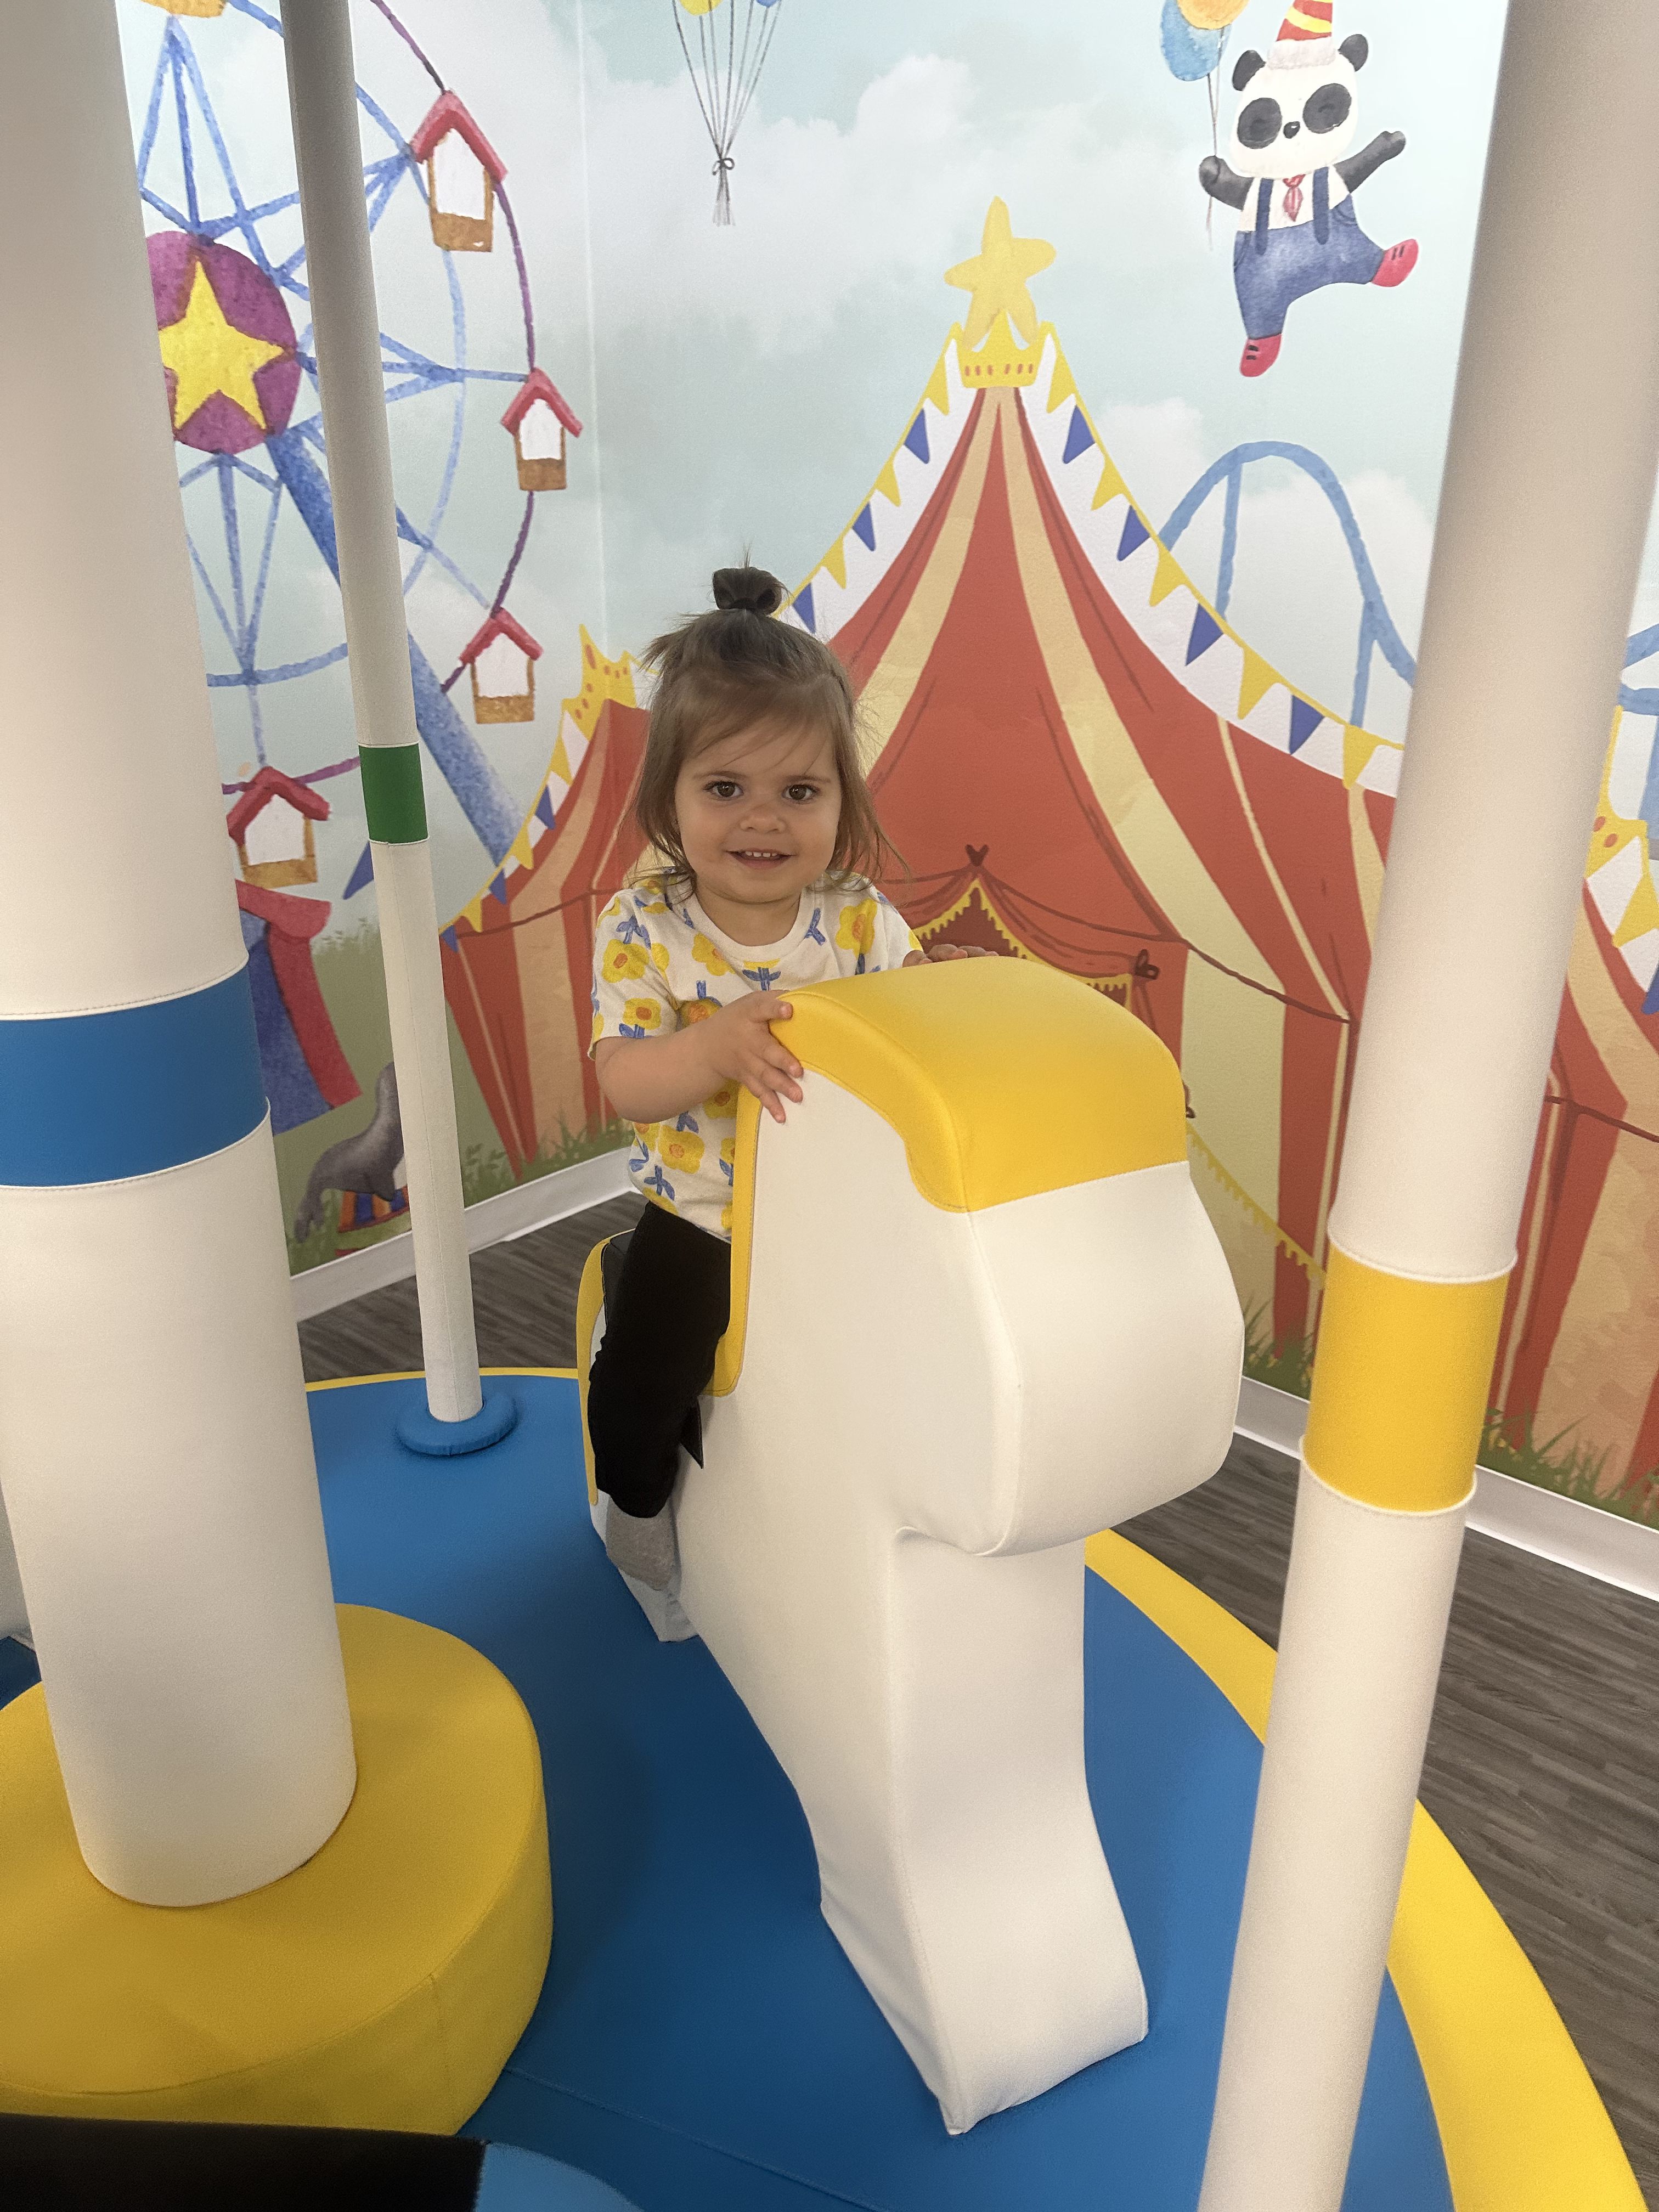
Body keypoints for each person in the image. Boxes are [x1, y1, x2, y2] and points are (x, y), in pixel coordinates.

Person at [586, 564, 982, 1593]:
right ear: (668, 797)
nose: (763, 819)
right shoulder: (645, 925)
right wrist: (710, 1048)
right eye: (725, 789)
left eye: (799, 793)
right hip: (702, 1216)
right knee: (645, 1378)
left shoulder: (858, 918)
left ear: (841, 801)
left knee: (898, 1351)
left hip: (839, 1211)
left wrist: (946, 1000)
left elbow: (912, 1039)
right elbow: (625, 1081)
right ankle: (634, 1499)